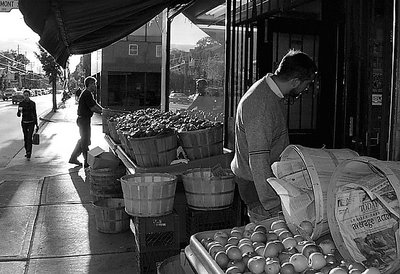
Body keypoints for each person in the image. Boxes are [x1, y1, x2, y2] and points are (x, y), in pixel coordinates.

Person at [231, 49, 317, 220]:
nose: (306, 89)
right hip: (257, 185)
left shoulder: (269, 91)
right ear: (295, 81)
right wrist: (272, 204)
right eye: (306, 84)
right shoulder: (260, 105)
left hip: (263, 181)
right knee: (269, 236)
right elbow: (258, 159)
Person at [69, 77, 103, 168]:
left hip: (84, 120)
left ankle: (73, 158)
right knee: (85, 141)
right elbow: (92, 108)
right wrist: (103, 113)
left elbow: (95, 104)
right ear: (89, 84)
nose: (95, 86)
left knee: (84, 139)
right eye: (94, 84)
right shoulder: (87, 93)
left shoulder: (88, 93)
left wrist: (104, 110)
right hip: (83, 120)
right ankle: (87, 161)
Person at [17, 89, 39, 160]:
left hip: (31, 122)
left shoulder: (32, 103)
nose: (26, 96)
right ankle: (27, 151)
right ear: (23, 96)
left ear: (29, 95)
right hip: (24, 122)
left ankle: (29, 153)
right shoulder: (21, 103)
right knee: (26, 138)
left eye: (27, 95)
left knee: (29, 138)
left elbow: (35, 114)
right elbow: (18, 114)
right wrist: (19, 112)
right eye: (25, 95)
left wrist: (36, 124)